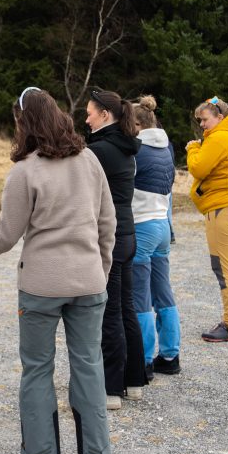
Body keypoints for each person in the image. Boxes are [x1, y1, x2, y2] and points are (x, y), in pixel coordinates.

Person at [0, 87, 116, 454]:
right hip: (88, 283)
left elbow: (5, 235)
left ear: (24, 123)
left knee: (37, 371)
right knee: (89, 366)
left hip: (40, 287)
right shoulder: (90, 160)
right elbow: (107, 223)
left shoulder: (25, 170)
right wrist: (100, 269)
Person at [85, 89, 147, 409]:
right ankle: (134, 379)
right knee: (125, 309)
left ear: (105, 115)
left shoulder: (99, 151)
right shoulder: (125, 147)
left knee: (108, 312)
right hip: (128, 233)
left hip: (109, 237)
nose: (86, 119)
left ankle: (110, 389)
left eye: (90, 113)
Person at [186, 96, 228, 342]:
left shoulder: (218, 139)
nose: (202, 125)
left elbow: (198, 168)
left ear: (220, 117)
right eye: (200, 121)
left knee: (224, 269)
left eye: (205, 120)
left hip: (224, 210)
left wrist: (193, 148)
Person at [131, 95, 180, 376]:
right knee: (163, 293)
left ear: (137, 124)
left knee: (139, 297)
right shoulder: (166, 148)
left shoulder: (138, 150)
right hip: (162, 224)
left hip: (142, 226)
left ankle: (145, 359)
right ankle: (171, 355)